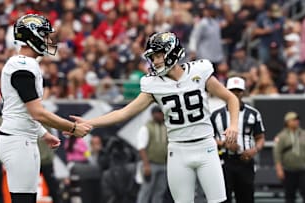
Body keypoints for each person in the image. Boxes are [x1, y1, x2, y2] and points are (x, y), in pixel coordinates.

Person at [67, 31, 240, 203]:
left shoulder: (199, 71)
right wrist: (90, 123)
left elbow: (231, 98)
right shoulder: (154, 84)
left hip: (206, 146)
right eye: (153, 57)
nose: (155, 61)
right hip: (178, 151)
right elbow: (124, 112)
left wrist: (233, 125)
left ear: (172, 52)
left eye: (159, 55)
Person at [0, 14, 92, 203]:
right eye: (44, 36)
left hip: (19, 138)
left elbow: (21, 109)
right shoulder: (22, 66)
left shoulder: (24, 64)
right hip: (18, 141)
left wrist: (42, 133)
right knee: (24, 200)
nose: (48, 41)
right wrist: (71, 128)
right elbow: (37, 112)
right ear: (32, 37)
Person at [211, 76, 266, 203]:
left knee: (246, 198)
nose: (235, 94)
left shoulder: (253, 113)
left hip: (245, 161)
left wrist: (254, 150)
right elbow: (208, 139)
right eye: (232, 91)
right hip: (223, 161)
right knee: (223, 198)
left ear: (243, 92)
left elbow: (260, 137)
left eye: (238, 91)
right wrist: (224, 144)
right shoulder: (216, 115)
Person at [273, 111, 305, 203]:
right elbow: (277, 153)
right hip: (288, 170)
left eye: (297, 120)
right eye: (294, 120)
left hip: (304, 170)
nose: (297, 122)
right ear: (287, 122)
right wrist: (279, 169)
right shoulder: (281, 136)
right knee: (289, 195)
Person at [136, 106, 168, 203]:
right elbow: (141, 147)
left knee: (160, 191)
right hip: (151, 164)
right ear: (154, 114)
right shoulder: (146, 128)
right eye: (160, 113)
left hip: (164, 163)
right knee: (146, 190)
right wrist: (146, 165)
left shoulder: (166, 126)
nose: (162, 115)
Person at [38, 127, 62, 203]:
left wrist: (49, 154)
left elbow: (57, 141)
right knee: (28, 187)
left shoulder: (49, 124)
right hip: (34, 161)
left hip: (46, 161)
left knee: (53, 187)